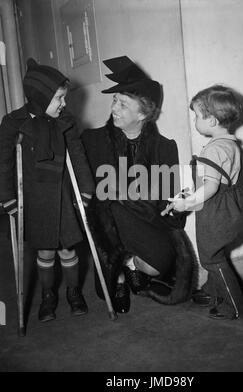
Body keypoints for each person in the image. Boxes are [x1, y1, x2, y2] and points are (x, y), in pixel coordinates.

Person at [82, 56, 197, 314]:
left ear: (143, 113)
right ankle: (119, 277)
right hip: (110, 224)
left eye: (123, 103)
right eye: (114, 100)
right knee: (112, 209)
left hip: (147, 222)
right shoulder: (92, 140)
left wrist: (181, 202)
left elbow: (169, 202)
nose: (114, 108)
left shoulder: (164, 147)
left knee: (158, 266)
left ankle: (131, 264)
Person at [0, 58, 95, 322]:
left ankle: (74, 291)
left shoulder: (65, 121)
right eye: (58, 99)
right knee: (45, 251)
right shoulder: (12, 122)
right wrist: (7, 197)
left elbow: (78, 156)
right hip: (33, 197)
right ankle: (47, 296)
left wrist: (86, 189)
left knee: (68, 249)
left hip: (63, 195)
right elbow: (4, 163)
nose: (63, 104)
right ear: (40, 98)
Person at [163, 85, 243, 320]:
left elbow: (210, 187)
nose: (194, 121)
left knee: (211, 258)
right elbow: (214, 181)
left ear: (211, 120)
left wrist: (187, 204)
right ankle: (212, 292)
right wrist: (189, 193)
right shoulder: (230, 144)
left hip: (216, 213)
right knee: (216, 253)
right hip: (230, 209)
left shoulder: (213, 150)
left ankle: (235, 305)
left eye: (197, 116)